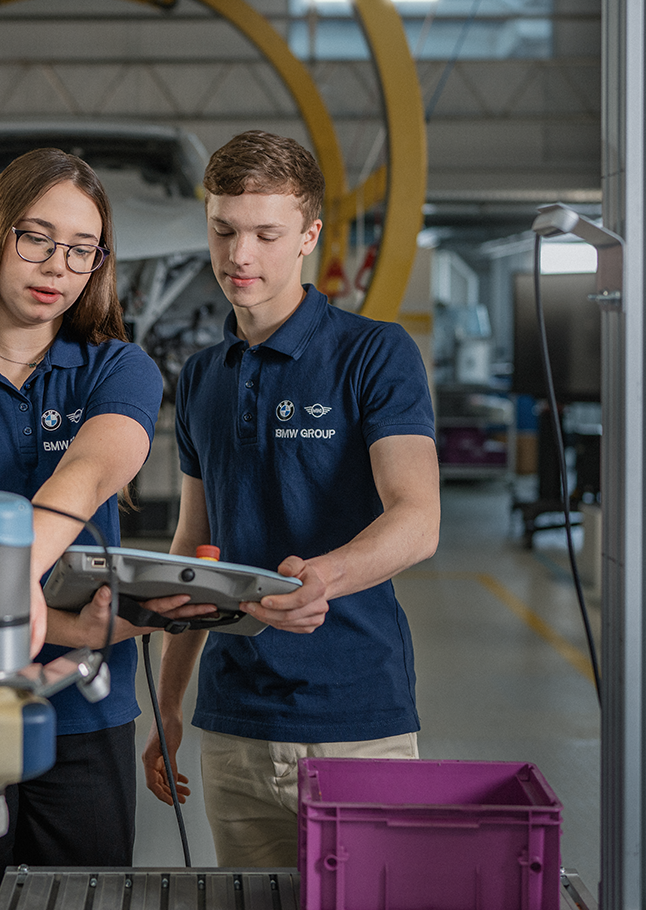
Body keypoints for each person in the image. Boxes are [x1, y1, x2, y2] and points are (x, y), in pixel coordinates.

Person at [0, 148, 210, 910]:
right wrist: (73, 631)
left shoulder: (117, 367)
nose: (57, 264)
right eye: (37, 237)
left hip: (83, 713)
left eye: (81, 249)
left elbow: (90, 470)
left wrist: (10, 579)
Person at [139, 130, 441, 868]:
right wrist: (171, 706)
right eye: (224, 230)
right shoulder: (205, 376)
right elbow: (192, 549)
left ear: (308, 236)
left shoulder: (374, 354)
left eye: (267, 234)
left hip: (355, 718)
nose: (240, 256)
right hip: (235, 723)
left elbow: (417, 517)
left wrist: (323, 578)